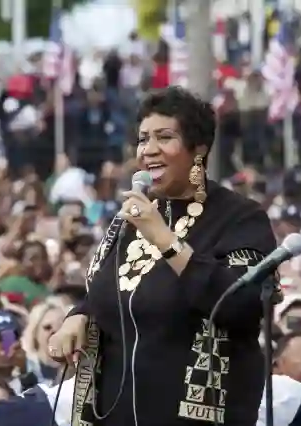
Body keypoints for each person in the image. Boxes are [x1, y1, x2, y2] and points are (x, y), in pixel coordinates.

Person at [48, 87, 277, 426]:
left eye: (164, 137)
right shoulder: (131, 219)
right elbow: (109, 290)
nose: (149, 150)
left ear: (198, 150)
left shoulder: (239, 217)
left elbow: (242, 304)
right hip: (115, 414)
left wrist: (164, 239)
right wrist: (79, 316)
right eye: (143, 139)